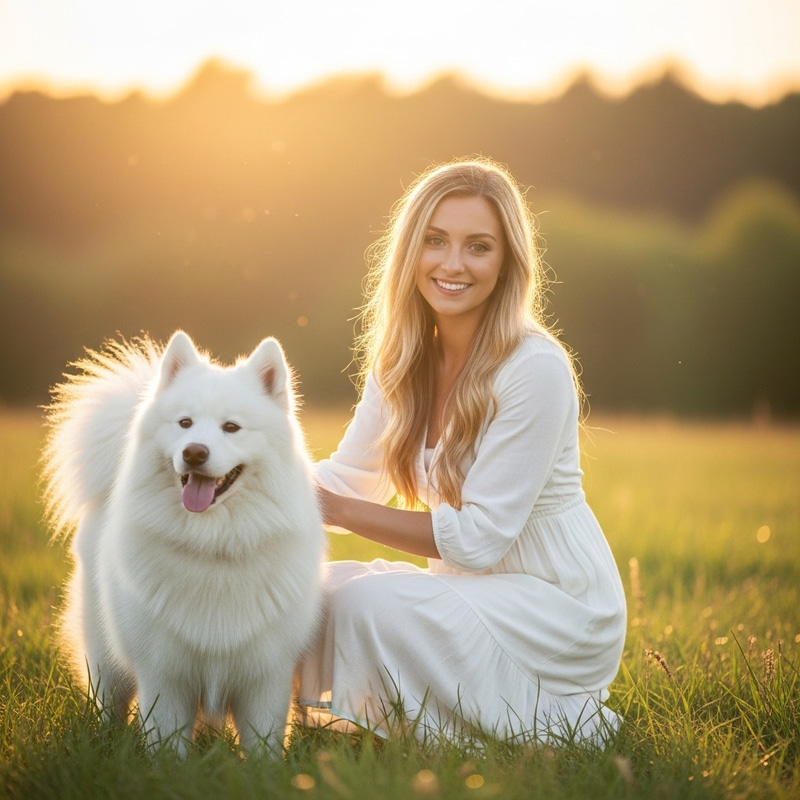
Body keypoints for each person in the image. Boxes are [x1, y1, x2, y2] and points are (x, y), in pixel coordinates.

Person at [297, 157, 627, 745]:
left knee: (368, 603)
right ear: (410, 252)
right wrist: (245, 483)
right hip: (470, 591)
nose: (452, 264)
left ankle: (558, 722)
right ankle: (281, 718)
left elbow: (476, 541)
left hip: (559, 607)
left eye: (478, 247)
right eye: (435, 241)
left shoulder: (535, 367)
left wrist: (331, 508)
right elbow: (348, 478)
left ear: (506, 264)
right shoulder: (401, 360)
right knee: (311, 593)